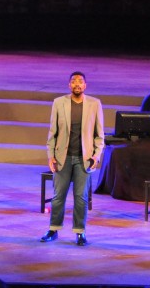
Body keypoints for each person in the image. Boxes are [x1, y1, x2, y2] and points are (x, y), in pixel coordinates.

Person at [41, 71, 105, 246]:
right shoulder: (59, 103)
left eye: (80, 81)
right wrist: (51, 156)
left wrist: (96, 155)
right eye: (74, 81)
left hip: (84, 159)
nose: (77, 84)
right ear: (69, 85)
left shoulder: (94, 104)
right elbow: (52, 133)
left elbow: (99, 135)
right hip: (63, 157)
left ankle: (80, 232)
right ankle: (53, 229)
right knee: (58, 196)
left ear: (85, 85)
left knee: (81, 197)